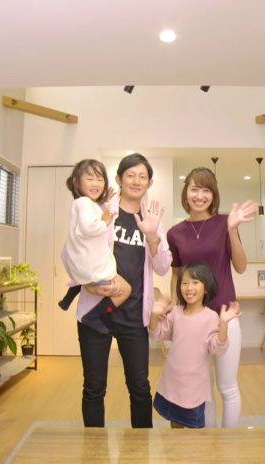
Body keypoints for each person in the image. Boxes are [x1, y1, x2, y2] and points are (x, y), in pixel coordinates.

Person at [63, 153, 171, 428]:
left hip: (134, 316)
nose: (136, 181)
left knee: (140, 387)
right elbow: (70, 251)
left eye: (142, 177)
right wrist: (85, 281)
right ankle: (94, 448)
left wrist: (153, 237)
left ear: (149, 183)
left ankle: (141, 447)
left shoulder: (152, 220)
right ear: (119, 179)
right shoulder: (100, 210)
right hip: (95, 313)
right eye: (130, 175)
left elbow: (162, 267)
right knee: (94, 387)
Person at [166, 166, 257, 428]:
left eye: (206, 190)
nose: (199, 196)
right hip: (193, 320)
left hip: (224, 317)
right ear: (186, 192)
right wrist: (175, 309)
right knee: (201, 389)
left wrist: (232, 230)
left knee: (227, 387)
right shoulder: (175, 233)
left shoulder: (225, 223)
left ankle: (228, 444)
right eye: (194, 189)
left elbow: (241, 267)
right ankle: (207, 442)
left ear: (213, 194)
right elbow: (176, 275)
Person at [148, 262, 241, 428]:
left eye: (195, 282)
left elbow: (218, 348)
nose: (189, 287)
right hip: (172, 383)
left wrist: (223, 324)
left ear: (206, 288)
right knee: (175, 425)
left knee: (194, 433)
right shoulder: (176, 313)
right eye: (184, 282)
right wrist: (153, 315)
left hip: (194, 390)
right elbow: (157, 333)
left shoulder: (211, 317)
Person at [59, 159, 130, 332]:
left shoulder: (85, 204)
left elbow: (92, 216)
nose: (96, 184)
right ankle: (93, 316)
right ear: (76, 182)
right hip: (91, 267)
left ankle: (69, 296)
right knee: (125, 290)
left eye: (100, 179)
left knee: (85, 277)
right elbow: (90, 227)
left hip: (82, 264)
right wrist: (105, 222)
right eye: (90, 179)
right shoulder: (84, 203)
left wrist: (104, 203)